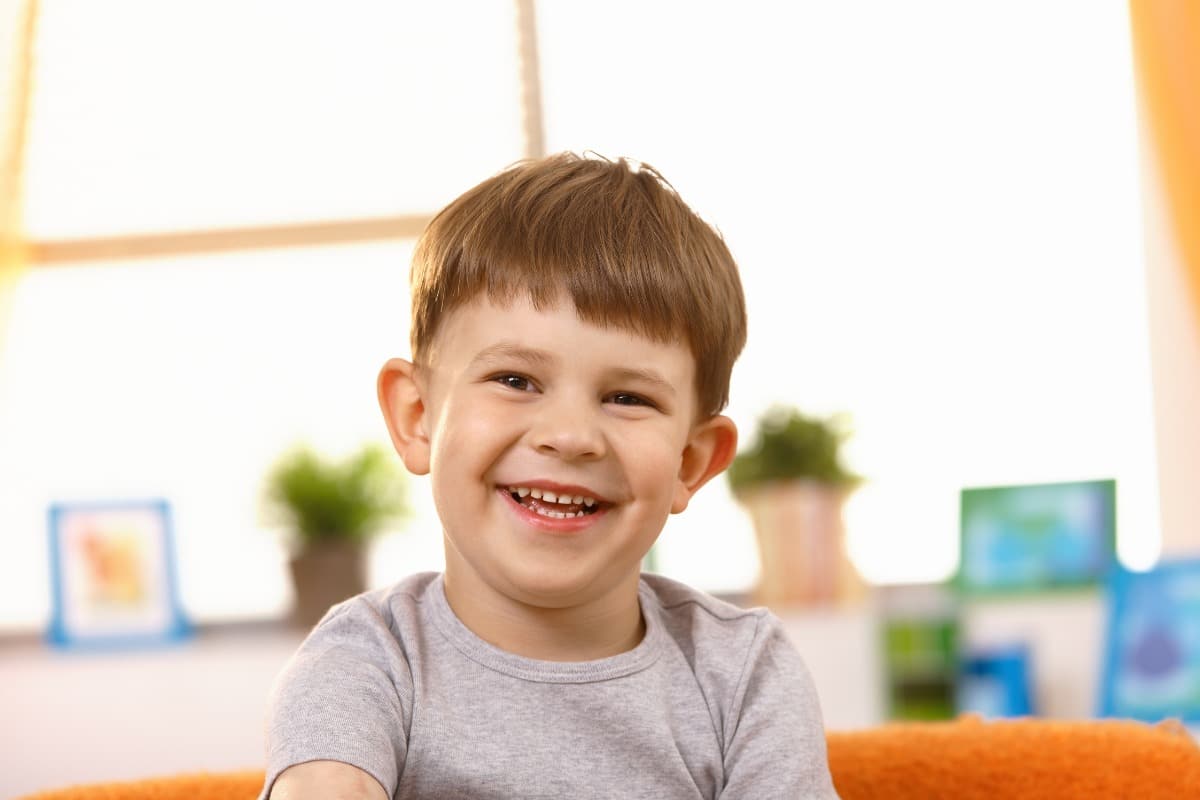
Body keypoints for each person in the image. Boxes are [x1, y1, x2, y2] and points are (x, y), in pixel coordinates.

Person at [260, 152, 840, 799]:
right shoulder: (367, 660)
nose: (569, 436)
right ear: (418, 416)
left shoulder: (743, 674)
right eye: (515, 380)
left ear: (689, 462)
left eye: (627, 397)